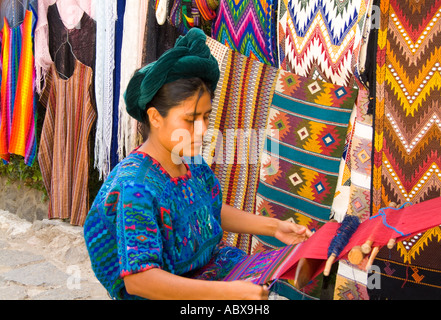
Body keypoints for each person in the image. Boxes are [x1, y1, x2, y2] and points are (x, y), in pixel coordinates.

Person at [83, 28, 312, 300]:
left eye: (206, 116)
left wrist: (274, 227)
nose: (203, 129)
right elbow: (140, 280)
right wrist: (226, 293)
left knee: (290, 283)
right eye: (191, 119)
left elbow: (210, 209)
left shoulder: (189, 161)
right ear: (155, 118)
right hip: (174, 294)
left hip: (212, 271)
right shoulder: (136, 188)